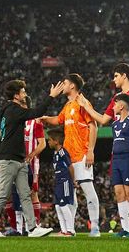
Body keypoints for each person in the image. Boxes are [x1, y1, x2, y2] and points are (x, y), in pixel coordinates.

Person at [0, 79, 65, 237]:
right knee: (3, 193)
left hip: (18, 159)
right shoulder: (13, 110)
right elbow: (36, 112)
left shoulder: (10, 111)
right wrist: (51, 96)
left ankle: (32, 228)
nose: (25, 94)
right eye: (23, 91)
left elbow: (3, 135)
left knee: (25, 194)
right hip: (10, 158)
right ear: (16, 95)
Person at [77, 62, 129, 237]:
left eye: (116, 76)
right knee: (124, 190)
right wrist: (87, 106)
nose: (114, 79)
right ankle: (128, 228)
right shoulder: (117, 98)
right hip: (118, 152)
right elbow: (103, 120)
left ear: (124, 76)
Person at [40, 73, 100, 236]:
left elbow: (93, 126)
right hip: (69, 156)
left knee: (88, 189)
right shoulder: (67, 106)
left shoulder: (82, 102)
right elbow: (58, 120)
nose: (63, 86)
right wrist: (44, 118)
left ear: (72, 85)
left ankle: (95, 227)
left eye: (65, 83)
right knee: (70, 194)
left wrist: (90, 150)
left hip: (81, 154)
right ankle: (69, 229)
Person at [107, 93, 129, 237]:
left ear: (121, 106)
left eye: (115, 104)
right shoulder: (114, 124)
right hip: (116, 160)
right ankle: (126, 229)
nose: (113, 107)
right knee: (119, 193)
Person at [48, 128, 76, 236]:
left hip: (64, 181)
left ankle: (70, 230)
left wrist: (73, 181)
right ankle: (63, 230)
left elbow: (70, 167)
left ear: (56, 141)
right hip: (58, 181)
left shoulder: (62, 152)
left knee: (63, 204)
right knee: (57, 206)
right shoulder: (56, 154)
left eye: (49, 140)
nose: (48, 142)